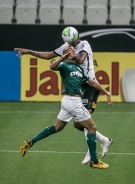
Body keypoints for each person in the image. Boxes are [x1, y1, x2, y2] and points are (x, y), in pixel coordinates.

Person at [14, 26, 113, 165]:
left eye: (71, 46)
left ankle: (93, 152)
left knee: (84, 123)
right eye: (69, 47)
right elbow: (48, 56)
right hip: (76, 90)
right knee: (76, 125)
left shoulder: (84, 45)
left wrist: (66, 55)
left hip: (89, 86)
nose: (70, 47)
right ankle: (103, 141)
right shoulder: (67, 52)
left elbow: (80, 60)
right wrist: (29, 52)